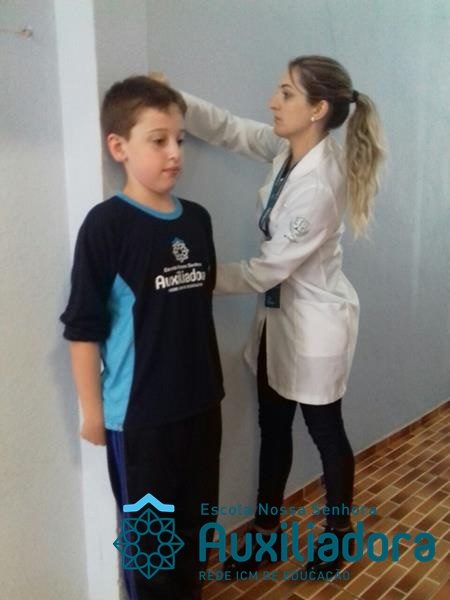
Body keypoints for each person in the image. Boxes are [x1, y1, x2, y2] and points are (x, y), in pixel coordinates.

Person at [172, 55, 384, 576]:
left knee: (325, 431)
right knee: (273, 426)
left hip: (315, 325)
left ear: (317, 109)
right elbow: (233, 131)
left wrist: (191, 277)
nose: (273, 101)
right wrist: (176, 104)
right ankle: (267, 537)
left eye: (286, 93)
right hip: (278, 319)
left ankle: (337, 538)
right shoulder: (289, 151)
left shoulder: (320, 184)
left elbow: (266, 270)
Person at [60, 76, 224, 599]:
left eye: (180, 139)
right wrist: (92, 412)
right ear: (119, 147)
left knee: (196, 536)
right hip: (141, 421)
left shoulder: (198, 220)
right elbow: (83, 328)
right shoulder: (106, 226)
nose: (175, 152)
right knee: (152, 554)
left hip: (202, 409)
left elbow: (197, 307)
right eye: (158, 140)